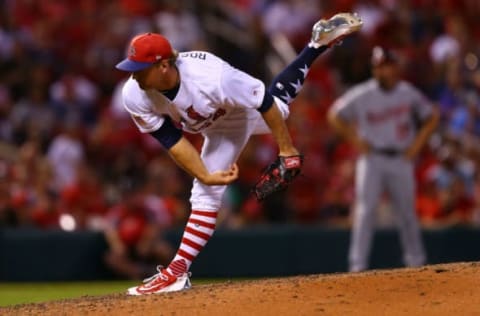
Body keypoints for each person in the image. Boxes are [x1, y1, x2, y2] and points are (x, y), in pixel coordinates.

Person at [115, 12, 363, 295]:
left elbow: (263, 100)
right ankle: (177, 274)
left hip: (239, 113)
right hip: (213, 127)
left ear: (163, 66)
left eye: (139, 67)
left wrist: (287, 150)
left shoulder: (213, 78)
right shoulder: (134, 93)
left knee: (279, 107)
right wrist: (204, 174)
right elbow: (172, 140)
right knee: (205, 191)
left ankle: (316, 45)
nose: (133, 74)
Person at [328, 46, 440, 272]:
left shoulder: (407, 93)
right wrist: (355, 140)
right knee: (365, 211)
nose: (382, 71)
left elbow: (432, 116)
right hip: (372, 159)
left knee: (407, 211)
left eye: (386, 66)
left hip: (400, 158)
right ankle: (357, 266)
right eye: (378, 67)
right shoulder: (363, 94)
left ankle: (416, 262)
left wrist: (416, 146)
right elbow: (334, 116)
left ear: (395, 68)